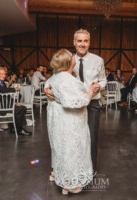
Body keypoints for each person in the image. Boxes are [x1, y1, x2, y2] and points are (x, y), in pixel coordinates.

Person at [45, 29, 106, 173]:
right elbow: (55, 77)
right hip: (72, 107)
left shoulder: (98, 60)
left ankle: (91, 171)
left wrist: (99, 85)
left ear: (89, 43)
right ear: (74, 42)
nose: (82, 44)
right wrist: (46, 87)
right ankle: (74, 171)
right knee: (75, 139)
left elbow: (103, 79)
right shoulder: (68, 59)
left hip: (92, 104)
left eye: (85, 41)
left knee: (91, 138)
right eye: (79, 41)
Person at [47, 49, 95, 195]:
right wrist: (91, 92)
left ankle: (59, 174)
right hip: (70, 120)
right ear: (69, 62)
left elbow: (54, 88)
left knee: (60, 147)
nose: (74, 58)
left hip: (58, 118)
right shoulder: (67, 79)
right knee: (72, 149)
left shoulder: (56, 76)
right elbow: (74, 102)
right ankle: (69, 184)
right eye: (72, 57)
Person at [0, 67, 31, 136]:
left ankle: (15, 128)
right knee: (20, 109)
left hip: (4, 105)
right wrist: (14, 89)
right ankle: (19, 129)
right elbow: (2, 90)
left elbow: (6, 96)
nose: (4, 76)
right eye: (2, 74)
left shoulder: (2, 82)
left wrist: (14, 103)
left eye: (4, 74)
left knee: (23, 108)